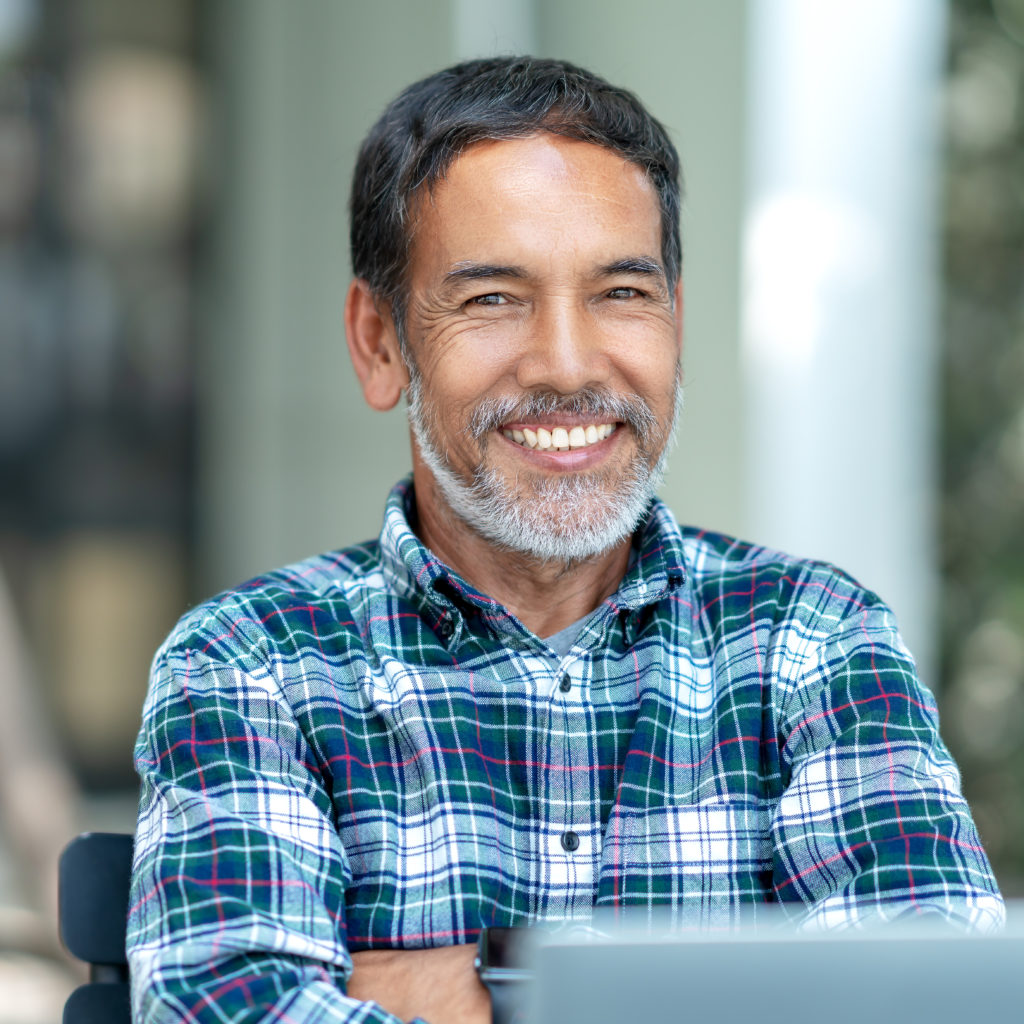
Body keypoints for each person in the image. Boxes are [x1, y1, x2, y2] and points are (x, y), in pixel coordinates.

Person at [127, 56, 1003, 1024]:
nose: (568, 362)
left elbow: (933, 1005)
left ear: (676, 317)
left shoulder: (814, 637)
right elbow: (230, 1008)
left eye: (621, 292)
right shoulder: (255, 663)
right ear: (380, 343)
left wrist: (483, 993)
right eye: (492, 299)